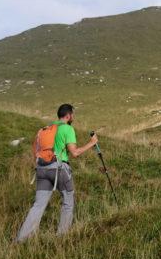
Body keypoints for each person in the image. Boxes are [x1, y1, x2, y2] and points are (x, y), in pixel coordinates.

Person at [15, 103, 99, 241]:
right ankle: (62, 237)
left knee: (38, 205)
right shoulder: (67, 129)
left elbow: (35, 151)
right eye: (73, 114)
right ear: (68, 115)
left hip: (41, 169)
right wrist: (92, 143)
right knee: (68, 200)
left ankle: (22, 239)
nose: (73, 117)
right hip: (59, 169)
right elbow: (75, 153)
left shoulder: (45, 129)